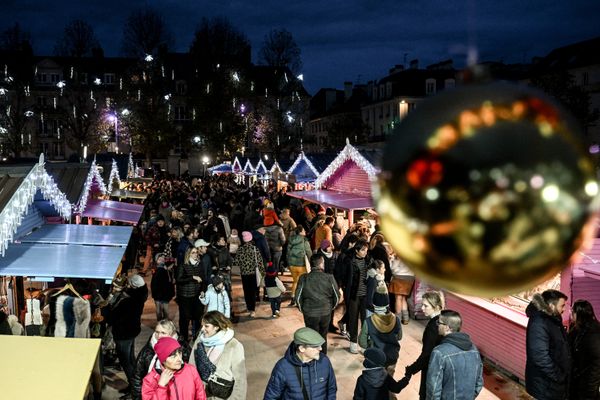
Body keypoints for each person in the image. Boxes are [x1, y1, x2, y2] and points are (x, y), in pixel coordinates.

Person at [264, 327, 337, 400]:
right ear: (302, 348)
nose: (320, 349)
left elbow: (331, 388)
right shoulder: (283, 367)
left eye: (320, 345)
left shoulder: (324, 361)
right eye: (315, 346)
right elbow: (271, 396)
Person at [106, 274, 149, 398]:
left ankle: (135, 390)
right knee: (131, 359)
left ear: (133, 286)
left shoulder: (127, 301)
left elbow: (112, 317)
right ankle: (135, 385)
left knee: (126, 362)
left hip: (123, 334)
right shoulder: (140, 295)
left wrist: (108, 307)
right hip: (132, 331)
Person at [426, 310, 483, 400]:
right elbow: (479, 383)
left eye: (439, 322)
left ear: (447, 327)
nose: (437, 325)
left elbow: (433, 388)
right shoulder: (474, 350)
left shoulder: (439, 352)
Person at [190, 311, 247, 399]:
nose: (202, 329)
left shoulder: (234, 346)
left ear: (216, 327)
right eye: (202, 326)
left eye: (206, 326)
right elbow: (191, 367)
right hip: (201, 395)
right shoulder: (199, 341)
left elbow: (240, 380)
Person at [525, 289, 571, 400]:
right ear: (551, 305)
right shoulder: (539, 322)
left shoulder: (552, 318)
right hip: (545, 385)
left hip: (552, 384)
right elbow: (539, 357)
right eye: (562, 306)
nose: (564, 309)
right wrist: (558, 376)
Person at [131, 320, 191, 400]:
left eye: (163, 333)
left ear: (172, 334)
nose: (159, 336)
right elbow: (137, 377)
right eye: (157, 332)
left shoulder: (183, 349)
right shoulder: (148, 349)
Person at [403, 291, 444, 400]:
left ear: (436, 307)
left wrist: (411, 369)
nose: (422, 308)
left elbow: (426, 355)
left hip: (432, 369)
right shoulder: (442, 321)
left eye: (426, 306)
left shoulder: (433, 327)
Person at [295, 254, 340, 354]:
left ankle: (312, 357)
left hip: (309, 313)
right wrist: (330, 308)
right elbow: (336, 296)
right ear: (321, 264)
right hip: (325, 312)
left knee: (311, 337)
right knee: (323, 336)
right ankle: (322, 358)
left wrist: (304, 310)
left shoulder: (304, 278)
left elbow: (298, 297)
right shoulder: (329, 277)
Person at [141, 336, 207, 400]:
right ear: (163, 360)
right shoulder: (150, 380)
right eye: (173, 356)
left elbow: (201, 396)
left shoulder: (191, 370)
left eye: (180, 353)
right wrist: (161, 386)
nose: (179, 359)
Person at [359, 284, 402, 377]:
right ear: (387, 304)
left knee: (377, 382)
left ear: (374, 304)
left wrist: (370, 345)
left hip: (376, 357)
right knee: (389, 380)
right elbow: (399, 337)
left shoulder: (368, 321)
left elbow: (362, 342)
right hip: (392, 356)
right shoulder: (396, 319)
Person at [343, 239, 376, 354]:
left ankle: (364, 343)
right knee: (353, 319)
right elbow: (344, 277)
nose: (365, 252)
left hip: (366, 296)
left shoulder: (369, 260)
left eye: (366, 250)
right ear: (356, 250)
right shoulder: (349, 261)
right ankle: (353, 342)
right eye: (363, 250)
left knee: (365, 320)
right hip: (354, 295)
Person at [569, 299, 600, 399]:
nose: (570, 312)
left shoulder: (594, 335)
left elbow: (595, 366)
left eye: (572, 311)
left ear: (580, 314)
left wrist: (590, 393)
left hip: (587, 387)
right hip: (577, 380)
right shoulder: (578, 327)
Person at [176, 246, 207, 342]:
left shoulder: (199, 264)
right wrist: (192, 277)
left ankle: (196, 337)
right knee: (185, 319)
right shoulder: (183, 265)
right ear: (188, 254)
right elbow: (179, 280)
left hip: (196, 295)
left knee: (198, 317)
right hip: (185, 297)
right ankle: (184, 339)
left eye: (196, 252)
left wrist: (202, 290)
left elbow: (203, 279)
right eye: (193, 252)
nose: (195, 254)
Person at [234, 231, 264, 318]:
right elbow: (259, 262)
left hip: (244, 274)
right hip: (253, 274)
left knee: (246, 291)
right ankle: (253, 309)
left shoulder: (240, 249)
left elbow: (236, 262)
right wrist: (262, 273)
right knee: (253, 291)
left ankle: (249, 307)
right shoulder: (255, 249)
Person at [385, 243, 414, 325]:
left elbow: (393, 269)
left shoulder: (399, 255)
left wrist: (391, 260)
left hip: (399, 277)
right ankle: (405, 319)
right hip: (410, 278)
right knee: (404, 298)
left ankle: (397, 319)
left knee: (398, 298)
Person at [286, 225, 312, 307]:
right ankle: (299, 299)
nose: (305, 232)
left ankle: (293, 298)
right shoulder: (304, 240)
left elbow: (287, 253)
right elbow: (309, 252)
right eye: (303, 230)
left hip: (292, 265)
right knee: (302, 282)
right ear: (300, 232)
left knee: (295, 281)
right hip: (301, 264)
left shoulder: (291, 240)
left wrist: (289, 263)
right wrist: (311, 262)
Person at [151, 253, 175, 321]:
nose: (161, 260)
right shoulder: (155, 270)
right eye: (159, 259)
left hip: (165, 294)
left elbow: (170, 283)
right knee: (159, 311)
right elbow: (154, 284)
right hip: (158, 294)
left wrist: (171, 293)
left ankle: (165, 326)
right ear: (156, 260)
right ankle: (160, 325)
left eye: (163, 258)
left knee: (166, 312)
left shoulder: (167, 270)